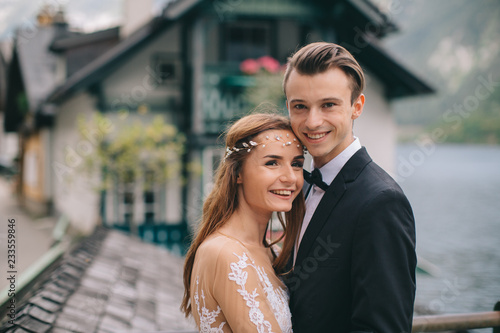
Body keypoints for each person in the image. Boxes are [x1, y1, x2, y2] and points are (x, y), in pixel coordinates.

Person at [283, 42, 417, 332]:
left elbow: (384, 327)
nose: (312, 121)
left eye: (328, 105)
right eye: (300, 107)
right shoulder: (301, 187)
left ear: (357, 106)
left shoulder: (381, 202)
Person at [181, 112, 306, 332]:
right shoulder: (225, 254)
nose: (291, 177)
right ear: (238, 173)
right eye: (272, 163)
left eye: (296, 164)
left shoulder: (270, 251)